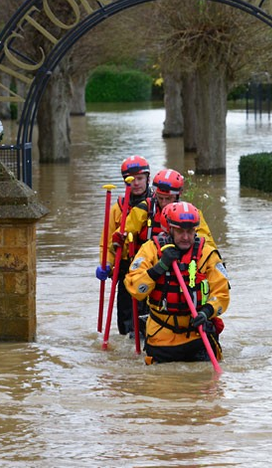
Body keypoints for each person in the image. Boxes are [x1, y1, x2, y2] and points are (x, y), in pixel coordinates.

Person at [125, 202, 230, 364]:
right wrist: (159, 267)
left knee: (209, 384)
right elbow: (135, 289)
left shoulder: (208, 254)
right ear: (170, 229)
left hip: (198, 335)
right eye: (180, 231)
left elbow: (221, 293)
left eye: (190, 231)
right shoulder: (150, 250)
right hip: (161, 337)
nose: (186, 237)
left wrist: (207, 312)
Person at [96, 155, 152, 335]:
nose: (136, 183)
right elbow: (106, 241)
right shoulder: (117, 208)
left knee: (149, 315)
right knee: (126, 319)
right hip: (126, 267)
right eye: (130, 180)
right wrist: (107, 264)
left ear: (147, 179)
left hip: (150, 268)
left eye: (140, 179)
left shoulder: (157, 205)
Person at [124, 168, 217, 253]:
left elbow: (207, 242)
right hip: (150, 260)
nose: (164, 203)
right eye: (160, 198)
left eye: (168, 199)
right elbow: (125, 233)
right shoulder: (144, 209)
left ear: (178, 195)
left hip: (181, 262)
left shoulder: (191, 213)